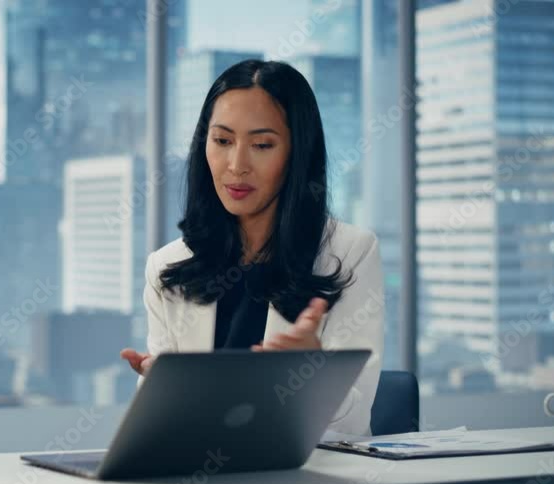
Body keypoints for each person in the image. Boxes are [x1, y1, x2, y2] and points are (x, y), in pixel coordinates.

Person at [121, 60, 383, 435]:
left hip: (311, 481)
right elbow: (161, 432)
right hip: (200, 483)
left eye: (262, 145)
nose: (237, 164)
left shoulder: (351, 253)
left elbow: (354, 425)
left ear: (297, 153)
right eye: (222, 141)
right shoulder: (167, 267)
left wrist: (312, 370)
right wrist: (159, 392)